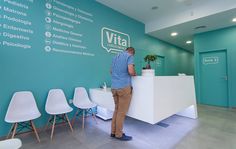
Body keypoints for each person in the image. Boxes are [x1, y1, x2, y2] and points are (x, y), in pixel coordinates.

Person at [110, 47, 136, 141]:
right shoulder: (129, 56)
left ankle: (113, 132)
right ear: (132, 52)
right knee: (121, 112)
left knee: (116, 110)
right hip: (124, 87)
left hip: (114, 87)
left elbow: (111, 71)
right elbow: (131, 71)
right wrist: (134, 73)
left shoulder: (115, 57)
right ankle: (119, 134)